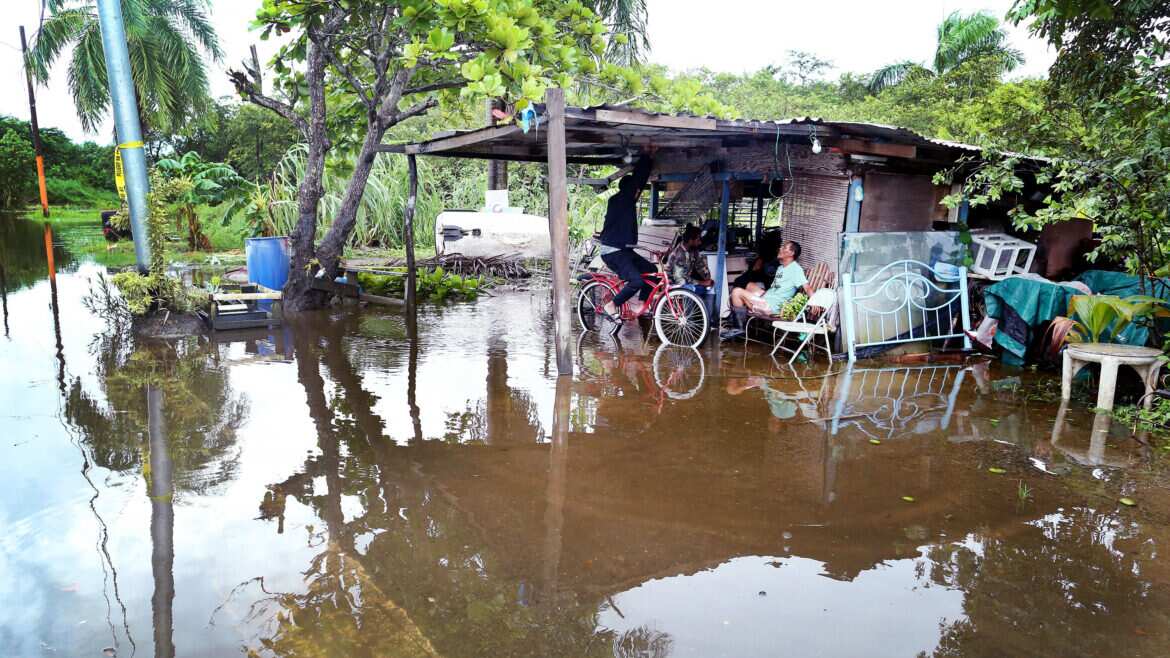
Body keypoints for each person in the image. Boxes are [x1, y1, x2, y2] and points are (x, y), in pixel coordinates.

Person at [599, 152, 655, 320]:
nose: (638, 193)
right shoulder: (622, 199)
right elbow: (639, 179)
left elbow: (639, 182)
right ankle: (612, 304)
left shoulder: (624, 202)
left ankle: (641, 305)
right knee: (636, 281)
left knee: (652, 272)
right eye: (636, 190)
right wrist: (647, 156)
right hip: (613, 251)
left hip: (623, 249)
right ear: (629, 190)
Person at [729, 240, 810, 326]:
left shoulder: (796, 269)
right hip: (769, 298)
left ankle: (740, 328)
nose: (780, 248)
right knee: (750, 285)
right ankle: (743, 311)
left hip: (771, 307)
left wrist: (815, 302)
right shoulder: (781, 268)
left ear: (791, 253)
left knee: (737, 292)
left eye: (784, 247)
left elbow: (807, 288)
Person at [665, 224, 714, 292]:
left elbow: (701, 266)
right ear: (691, 240)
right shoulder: (679, 254)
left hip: (686, 280)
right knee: (697, 289)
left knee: (707, 288)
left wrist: (708, 279)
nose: (700, 242)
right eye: (698, 240)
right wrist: (702, 283)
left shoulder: (693, 250)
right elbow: (680, 279)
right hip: (675, 284)